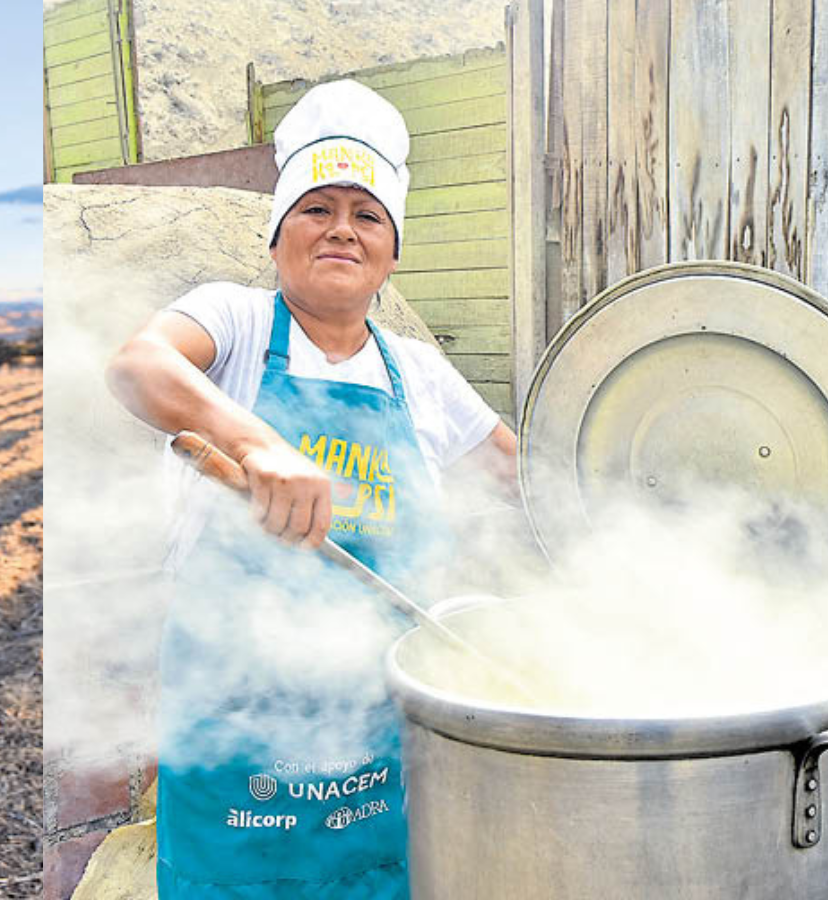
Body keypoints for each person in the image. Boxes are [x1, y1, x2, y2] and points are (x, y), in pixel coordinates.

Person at [106, 79, 516, 898]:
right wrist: (258, 445)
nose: (341, 229)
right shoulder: (234, 320)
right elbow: (137, 367)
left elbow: (523, 480)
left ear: (391, 252)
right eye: (316, 208)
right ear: (278, 234)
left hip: (376, 732)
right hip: (234, 737)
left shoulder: (421, 374)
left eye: (367, 215)